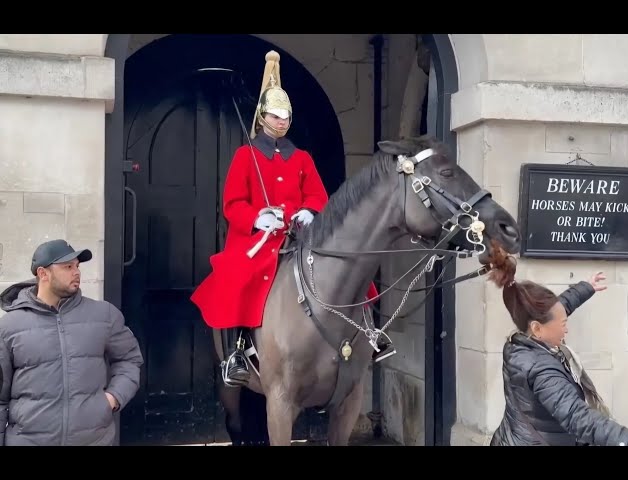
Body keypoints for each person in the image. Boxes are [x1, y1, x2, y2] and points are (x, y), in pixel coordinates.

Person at [190, 50, 382, 388]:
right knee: (239, 276)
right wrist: (257, 218)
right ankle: (237, 350)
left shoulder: (303, 157)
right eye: (275, 115)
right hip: (259, 240)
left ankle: (370, 330)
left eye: (285, 116)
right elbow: (232, 204)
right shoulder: (245, 155)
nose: (281, 121)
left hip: (300, 235)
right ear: (263, 117)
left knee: (349, 267)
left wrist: (309, 210)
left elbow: (319, 196)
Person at [486, 244, 628, 446]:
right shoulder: (541, 370)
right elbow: (578, 417)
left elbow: (558, 308)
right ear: (537, 328)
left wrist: (585, 288)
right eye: (563, 324)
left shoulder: (520, 341)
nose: (566, 330)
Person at [0, 239, 144, 446]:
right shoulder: (10, 326)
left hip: (93, 440)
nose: (76, 272)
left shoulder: (104, 315)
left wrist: (112, 398)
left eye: (77, 266)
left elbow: (129, 360)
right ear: (43, 274)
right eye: (67, 267)